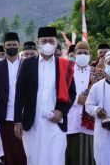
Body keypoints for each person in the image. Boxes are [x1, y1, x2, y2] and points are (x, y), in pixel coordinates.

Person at [14, 26, 77, 165]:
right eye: (44, 41)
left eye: (50, 40)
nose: (47, 43)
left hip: (55, 120)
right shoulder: (27, 64)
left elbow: (72, 93)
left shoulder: (65, 65)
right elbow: (19, 94)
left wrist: (61, 111)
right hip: (33, 121)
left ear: (56, 43)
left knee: (56, 158)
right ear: (38, 43)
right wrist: (17, 120)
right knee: (33, 159)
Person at [0, 32, 26, 165]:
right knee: (9, 153)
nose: (12, 47)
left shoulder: (27, 64)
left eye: (14, 44)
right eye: (9, 44)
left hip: (24, 116)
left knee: (24, 152)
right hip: (4, 117)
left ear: (19, 45)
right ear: (4, 46)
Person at [66, 41, 102, 165]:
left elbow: (102, 95)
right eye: (79, 53)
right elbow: (59, 93)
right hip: (68, 121)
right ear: (74, 55)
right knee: (66, 156)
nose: (82, 55)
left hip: (90, 122)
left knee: (87, 158)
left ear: (90, 55)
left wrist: (90, 101)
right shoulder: (67, 71)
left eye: (85, 53)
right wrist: (77, 99)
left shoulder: (97, 73)